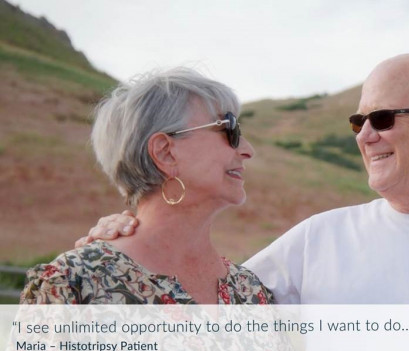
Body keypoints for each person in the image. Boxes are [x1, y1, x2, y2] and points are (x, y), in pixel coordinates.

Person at [79, 54, 409, 305]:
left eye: (383, 118)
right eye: (359, 122)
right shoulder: (317, 239)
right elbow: (192, 297)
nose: (366, 136)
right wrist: (128, 231)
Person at [21, 68, 273, 305]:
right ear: (165, 152)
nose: (247, 150)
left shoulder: (251, 292)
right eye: (229, 128)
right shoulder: (72, 284)